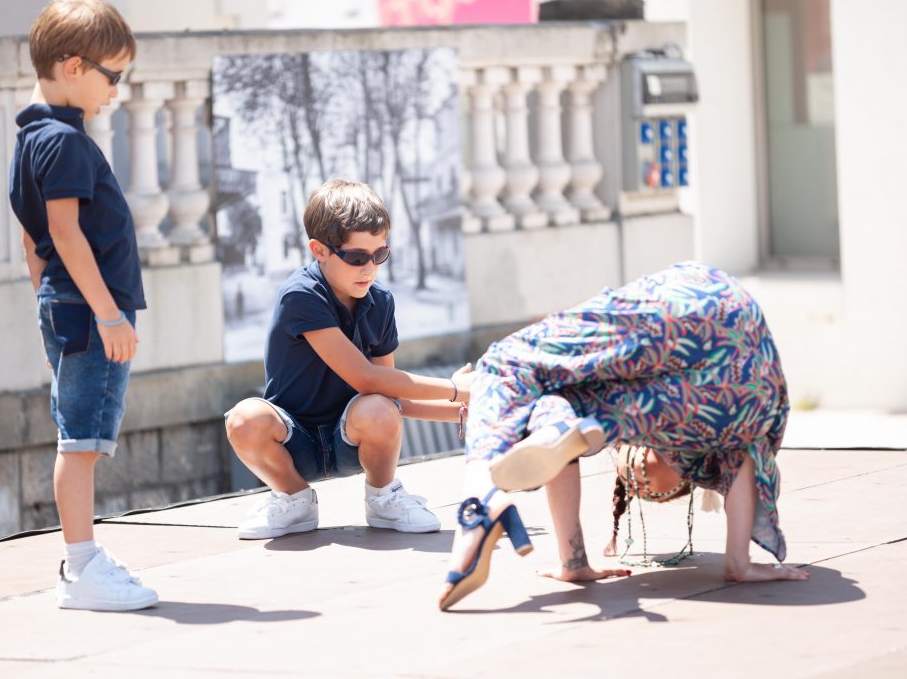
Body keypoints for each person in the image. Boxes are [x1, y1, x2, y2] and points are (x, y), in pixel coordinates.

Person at [439, 262, 809, 611]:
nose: (638, 469)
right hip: (722, 319)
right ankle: (486, 492)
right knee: (529, 378)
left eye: (633, 476)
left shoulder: (688, 429)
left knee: (508, 363)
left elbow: (747, 456)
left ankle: (480, 493)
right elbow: (746, 457)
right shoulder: (706, 436)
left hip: (718, 322)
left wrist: (740, 563)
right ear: (681, 483)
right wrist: (739, 563)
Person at [9, 0, 157, 611]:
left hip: (63, 304)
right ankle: (82, 564)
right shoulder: (66, 142)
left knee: (83, 436)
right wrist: (105, 314)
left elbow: (31, 241)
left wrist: (52, 320)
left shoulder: (32, 137)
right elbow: (64, 233)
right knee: (82, 441)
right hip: (87, 310)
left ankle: (83, 560)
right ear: (74, 66)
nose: (117, 91)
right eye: (112, 76)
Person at [226, 179, 472, 539]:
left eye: (380, 254)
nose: (369, 268)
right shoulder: (301, 296)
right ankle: (294, 500)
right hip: (297, 442)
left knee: (378, 408)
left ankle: (383, 497)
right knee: (244, 419)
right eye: (357, 257)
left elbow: (389, 398)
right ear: (319, 250)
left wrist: (463, 408)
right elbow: (366, 378)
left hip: (351, 440)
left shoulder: (380, 301)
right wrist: (455, 389)